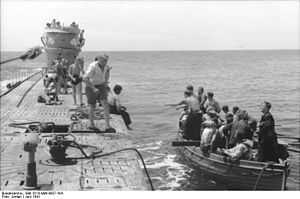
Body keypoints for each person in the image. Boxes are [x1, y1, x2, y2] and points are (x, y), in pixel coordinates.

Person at [83, 55, 115, 133]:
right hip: (91, 85)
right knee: (92, 105)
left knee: (105, 104)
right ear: (99, 60)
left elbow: (106, 76)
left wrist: (106, 83)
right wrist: (93, 88)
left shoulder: (106, 66)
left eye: (106, 61)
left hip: (101, 85)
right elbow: (85, 78)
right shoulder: (93, 66)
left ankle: (108, 126)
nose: (105, 62)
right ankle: (91, 124)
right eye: (104, 61)